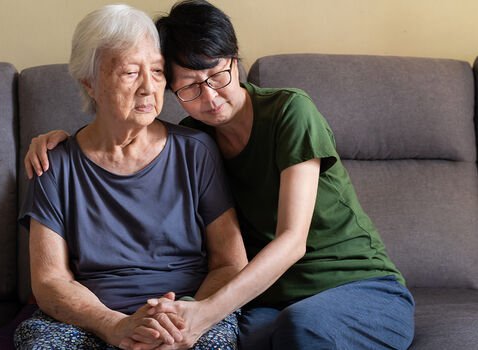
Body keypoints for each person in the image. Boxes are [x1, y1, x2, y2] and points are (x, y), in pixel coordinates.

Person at [25, 1, 416, 349]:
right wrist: (58, 145)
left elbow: (291, 241)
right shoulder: (199, 138)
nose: (210, 97)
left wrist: (202, 314)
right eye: (191, 86)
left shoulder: (286, 114)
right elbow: (51, 277)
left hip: (352, 285)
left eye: (218, 75)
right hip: (268, 298)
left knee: (302, 330)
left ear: (235, 61)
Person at [14, 4, 248, 350]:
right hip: (92, 317)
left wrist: (184, 315)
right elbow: (49, 281)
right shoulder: (54, 164)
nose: (148, 88)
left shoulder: (195, 150)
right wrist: (114, 325)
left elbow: (231, 263)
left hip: (188, 310)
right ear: (90, 83)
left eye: (156, 71)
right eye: (129, 73)